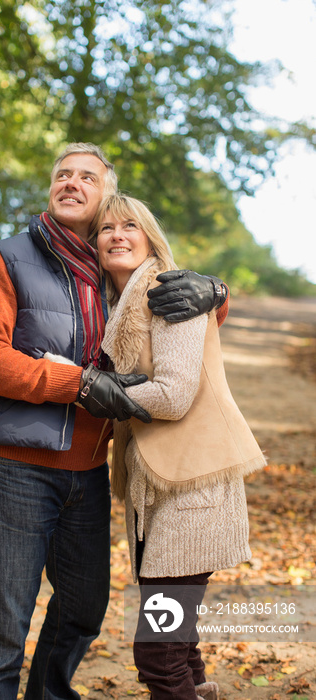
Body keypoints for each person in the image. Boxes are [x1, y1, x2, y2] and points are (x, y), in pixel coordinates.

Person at [0, 143, 229, 699]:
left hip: (88, 473)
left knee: (83, 610)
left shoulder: (113, 267)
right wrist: (76, 384)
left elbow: (168, 315)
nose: (72, 182)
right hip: (17, 468)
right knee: (0, 628)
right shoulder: (7, 258)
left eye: (87, 176)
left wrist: (217, 294)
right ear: (51, 187)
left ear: (105, 194)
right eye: (62, 174)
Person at [94, 194, 266, 700]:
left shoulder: (173, 294)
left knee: (159, 650)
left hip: (195, 486)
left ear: (150, 237)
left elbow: (172, 394)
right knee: (178, 640)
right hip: (156, 484)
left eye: (130, 226)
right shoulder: (110, 302)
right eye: (106, 229)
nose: (118, 235)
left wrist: (90, 392)